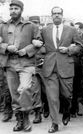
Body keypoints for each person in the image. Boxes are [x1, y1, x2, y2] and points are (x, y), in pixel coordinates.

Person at [0, 0, 43, 132]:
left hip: (26, 63)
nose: (13, 10)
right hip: (9, 63)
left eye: (16, 8)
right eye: (11, 8)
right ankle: (20, 119)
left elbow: (39, 42)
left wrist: (27, 50)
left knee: (24, 89)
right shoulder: (3, 26)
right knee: (14, 94)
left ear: (21, 10)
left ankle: (25, 116)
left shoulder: (31, 26)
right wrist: (7, 47)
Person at [41, 6, 83, 133]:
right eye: (54, 14)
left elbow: (80, 46)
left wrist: (69, 49)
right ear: (51, 16)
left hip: (66, 66)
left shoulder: (71, 30)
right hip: (50, 68)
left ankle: (66, 111)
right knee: (52, 97)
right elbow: (38, 44)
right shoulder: (44, 30)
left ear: (62, 15)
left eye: (59, 13)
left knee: (66, 95)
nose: (57, 15)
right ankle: (55, 123)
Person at [70, 22, 83, 117]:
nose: (76, 31)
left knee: (81, 87)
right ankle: (73, 107)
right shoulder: (70, 38)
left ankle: (79, 105)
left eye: (77, 29)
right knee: (73, 87)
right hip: (73, 66)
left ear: (81, 29)